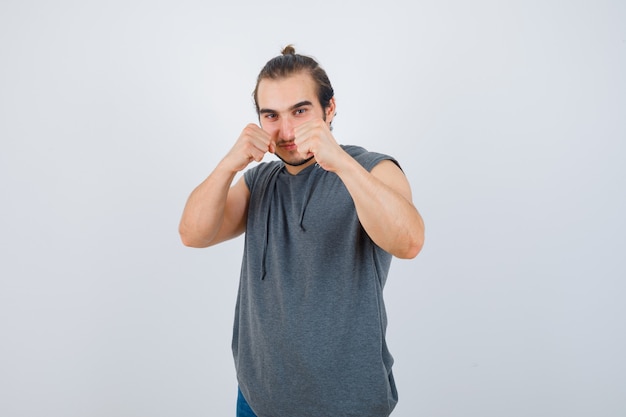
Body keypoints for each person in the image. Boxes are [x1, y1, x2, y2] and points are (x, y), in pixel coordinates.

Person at [179, 45, 425, 417]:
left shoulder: (371, 168)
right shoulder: (259, 180)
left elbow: (409, 242)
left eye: (300, 110)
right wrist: (229, 165)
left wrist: (338, 160)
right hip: (256, 400)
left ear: (329, 109)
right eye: (271, 116)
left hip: (347, 406)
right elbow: (193, 234)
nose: (287, 130)